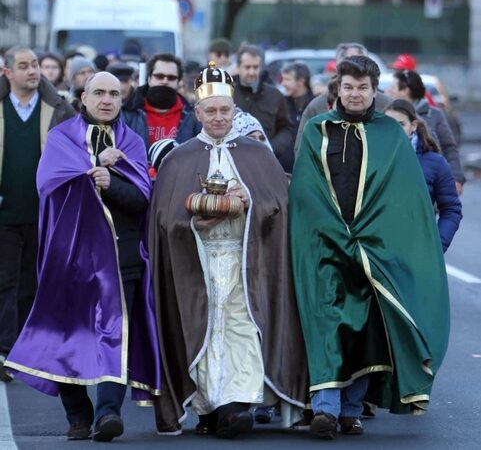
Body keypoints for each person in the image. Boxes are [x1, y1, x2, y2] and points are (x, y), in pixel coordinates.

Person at [290, 55, 450, 439]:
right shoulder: (316, 130)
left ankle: (350, 410)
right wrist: (332, 232)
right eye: (348, 87)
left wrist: (384, 240)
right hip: (324, 245)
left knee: (367, 328)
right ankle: (325, 408)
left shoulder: (390, 134)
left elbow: (406, 199)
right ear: (338, 89)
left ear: (374, 91)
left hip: (374, 250)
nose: (355, 94)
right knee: (326, 322)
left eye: (363, 88)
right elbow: (305, 191)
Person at [149, 63, 307, 438]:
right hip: (197, 264)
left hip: (246, 259)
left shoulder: (258, 155)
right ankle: (210, 408)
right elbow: (164, 221)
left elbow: (279, 207)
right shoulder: (179, 159)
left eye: (225, 111)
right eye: (211, 111)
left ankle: (236, 403)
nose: (218, 117)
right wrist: (194, 221)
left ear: (234, 112)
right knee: (204, 329)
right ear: (198, 114)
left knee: (242, 326)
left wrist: (249, 199)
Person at [5, 71, 161, 442]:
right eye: (99, 93)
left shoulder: (133, 142)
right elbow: (49, 184)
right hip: (69, 255)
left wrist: (112, 180)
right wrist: (97, 161)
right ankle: (78, 414)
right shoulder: (61, 138)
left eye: (113, 94)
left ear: (121, 100)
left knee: (115, 335)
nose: (106, 100)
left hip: (121, 256)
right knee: (67, 335)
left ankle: (108, 413)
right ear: (84, 98)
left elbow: (142, 197)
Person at [0, 46, 75, 381]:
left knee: (33, 282)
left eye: (34, 65)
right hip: (5, 212)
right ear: (7, 73)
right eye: (23, 66)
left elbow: (76, 145)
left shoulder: (56, 107)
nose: (32, 71)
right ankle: (6, 349)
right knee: (6, 282)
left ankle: (27, 351)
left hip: (46, 210)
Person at [385, 99, 462, 252]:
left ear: (413, 126)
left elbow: (451, 209)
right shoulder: (372, 156)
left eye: (400, 124)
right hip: (378, 253)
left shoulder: (435, 162)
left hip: (418, 252)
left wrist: (437, 246)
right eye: (389, 125)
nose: (394, 131)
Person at [295, 42, 391, 152]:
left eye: (363, 61)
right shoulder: (317, 107)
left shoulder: (388, 106)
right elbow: (302, 152)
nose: (358, 66)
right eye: (351, 61)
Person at [385, 69, 465, 194]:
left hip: (429, 190)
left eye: (392, 87)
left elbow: (449, 148)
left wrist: (456, 178)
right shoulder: (387, 114)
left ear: (405, 90)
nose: (388, 90)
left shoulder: (434, 114)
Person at [121, 53, 201, 149]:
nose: (165, 81)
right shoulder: (128, 113)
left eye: (171, 78)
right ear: (149, 79)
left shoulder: (192, 117)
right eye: (159, 76)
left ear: (178, 82)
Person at [233, 44, 293, 158]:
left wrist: (271, 148)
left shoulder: (275, 95)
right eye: (247, 67)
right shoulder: (227, 95)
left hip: (267, 159)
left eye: (255, 67)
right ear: (238, 67)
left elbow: (286, 128)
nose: (252, 72)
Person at [279, 61, 314, 172]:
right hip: (283, 169)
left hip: (307, 170)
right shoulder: (282, 104)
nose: (283, 84)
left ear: (301, 82)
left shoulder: (315, 106)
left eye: (287, 79)